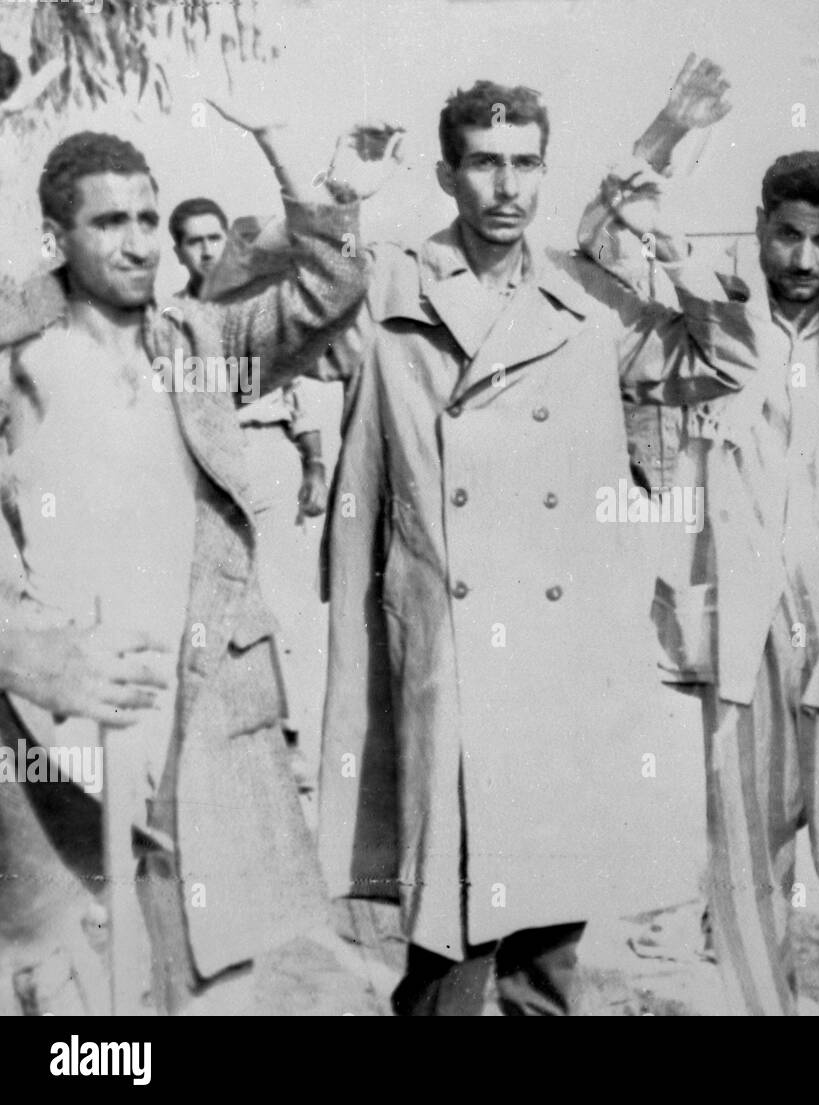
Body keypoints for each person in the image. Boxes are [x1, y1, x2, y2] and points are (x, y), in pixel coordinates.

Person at [294, 80, 756, 1017]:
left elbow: (721, 366)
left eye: (525, 163)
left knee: (548, 945)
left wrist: (683, 264)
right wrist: (334, 198)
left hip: (555, 655)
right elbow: (300, 308)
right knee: (448, 936)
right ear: (447, 174)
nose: (506, 187)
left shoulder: (583, 299)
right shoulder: (392, 279)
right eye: (484, 163)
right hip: (448, 648)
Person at [579, 74, 819, 1015]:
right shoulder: (716, 331)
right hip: (744, 643)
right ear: (758, 226)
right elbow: (598, 248)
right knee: (743, 874)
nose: (803, 258)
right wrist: (669, 124)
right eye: (787, 234)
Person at [0, 101, 391, 1014]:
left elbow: (327, 292)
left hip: (204, 709)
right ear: (56, 235)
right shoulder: (18, 363)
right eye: (109, 223)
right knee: (78, 992)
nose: (138, 243)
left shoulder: (201, 343)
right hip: (58, 716)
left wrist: (296, 162)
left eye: (147, 217)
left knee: (215, 981)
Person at [172, 202, 333, 797]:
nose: (207, 250)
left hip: (268, 455)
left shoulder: (256, 304)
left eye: (216, 238)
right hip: (209, 467)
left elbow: (300, 389)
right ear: (178, 251)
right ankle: (235, 747)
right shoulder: (173, 319)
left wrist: (314, 463)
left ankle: (302, 748)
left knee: (290, 606)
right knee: (219, 608)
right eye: (193, 242)